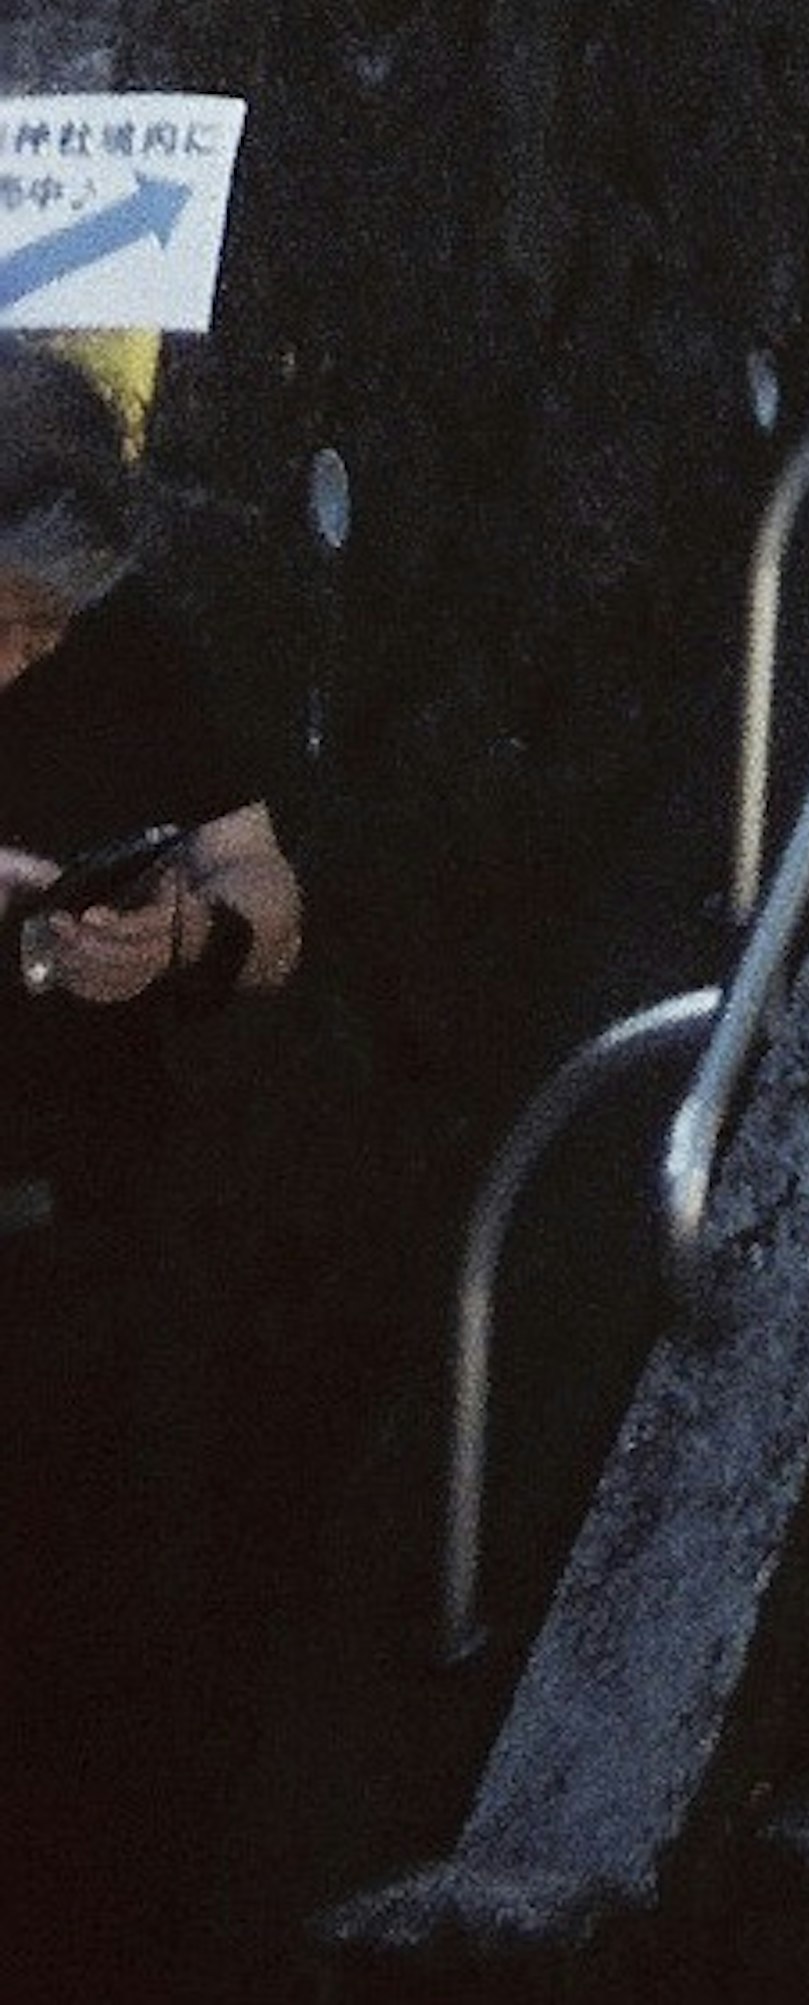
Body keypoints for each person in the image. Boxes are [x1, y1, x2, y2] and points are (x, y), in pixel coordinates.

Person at [0, 337, 306, 1971]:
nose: (20, 655)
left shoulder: (128, 654)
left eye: (43, 624)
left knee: (83, 1698)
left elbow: (271, 895)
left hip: (76, 1260)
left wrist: (182, 935)